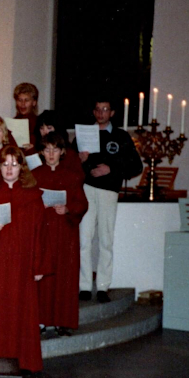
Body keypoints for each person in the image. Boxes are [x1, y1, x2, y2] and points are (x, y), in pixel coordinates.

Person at [0, 146, 47, 372]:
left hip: (22, 262)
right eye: (5, 164)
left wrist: (38, 265)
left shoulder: (34, 197)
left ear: (22, 168)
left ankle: (22, 361)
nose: (9, 169)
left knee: (20, 310)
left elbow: (40, 233)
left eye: (14, 164)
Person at [76, 97, 142, 303]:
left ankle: (103, 286)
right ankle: (84, 286)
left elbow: (136, 167)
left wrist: (111, 169)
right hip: (86, 188)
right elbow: (69, 163)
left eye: (105, 109)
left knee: (105, 239)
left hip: (108, 191)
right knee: (84, 239)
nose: (100, 113)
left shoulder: (121, 136)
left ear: (112, 113)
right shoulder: (84, 134)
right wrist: (81, 161)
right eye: (97, 109)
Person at [32, 132, 88, 335]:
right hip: (44, 231)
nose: (51, 154)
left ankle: (62, 321)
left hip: (65, 232)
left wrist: (68, 208)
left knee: (64, 276)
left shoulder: (72, 176)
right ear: (41, 152)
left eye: (55, 149)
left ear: (62, 151)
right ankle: (41, 320)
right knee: (44, 275)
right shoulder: (35, 175)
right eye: (47, 150)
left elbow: (82, 203)